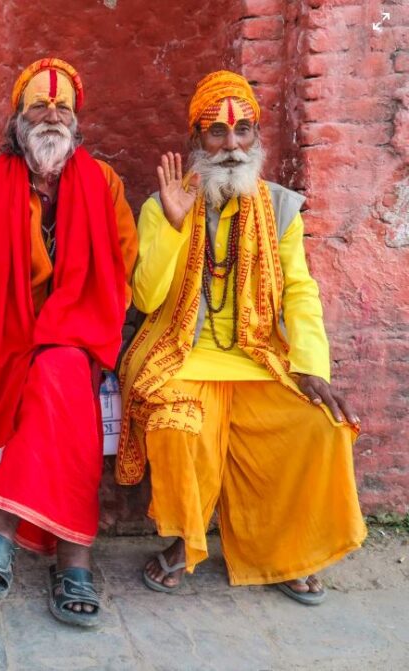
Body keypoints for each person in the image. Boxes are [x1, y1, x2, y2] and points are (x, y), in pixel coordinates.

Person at [117, 71, 365, 605]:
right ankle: (187, 543)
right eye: (217, 134)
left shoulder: (280, 208)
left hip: (257, 356)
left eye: (243, 132)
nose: (231, 147)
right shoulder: (167, 202)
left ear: (257, 138)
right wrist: (172, 223)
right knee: (177, 426)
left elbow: (300, 291)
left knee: (320, 426)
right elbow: (145, 298)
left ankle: (286, 551)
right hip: (179, 352)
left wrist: (311, 365)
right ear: (195, 142)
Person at [0, 58, 137, 627]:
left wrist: (70, 320)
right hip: (9, 334)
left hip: (81, 331)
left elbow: (121, 267)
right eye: (39, 106)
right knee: (56, 382)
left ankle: (3, 526)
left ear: (77, 121)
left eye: (62, 108)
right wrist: (30, 327)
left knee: (59, 366)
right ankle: (72, 558)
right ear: (19, 119)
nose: (51, 115)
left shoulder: (103, 183)